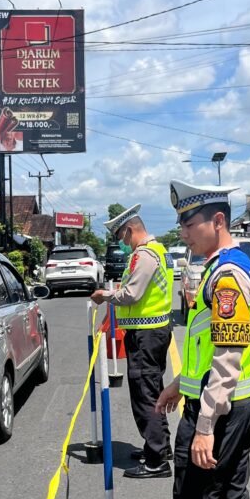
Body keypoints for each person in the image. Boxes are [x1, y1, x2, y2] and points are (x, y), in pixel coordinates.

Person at [119, 181, 250, 499]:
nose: (182, 231)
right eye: (180, 221)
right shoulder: (224, 268)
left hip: (218, 412)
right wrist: (175, 386)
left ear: (217, 221)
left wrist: (203, 426)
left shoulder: (226, 277)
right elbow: (204, 352)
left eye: (188, 221)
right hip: (234, 403)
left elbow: (227, 356)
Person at [91, 205, 174, 479]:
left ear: (130, 230)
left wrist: (105, 295)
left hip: (147, 336)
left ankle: (156, 460)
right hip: (152, 332)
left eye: (121, 238)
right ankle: (160, 447)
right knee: (153, 390)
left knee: (144, 395)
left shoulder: (145, 254)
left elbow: (132, 294)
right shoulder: (156, 251)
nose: (122, 244)